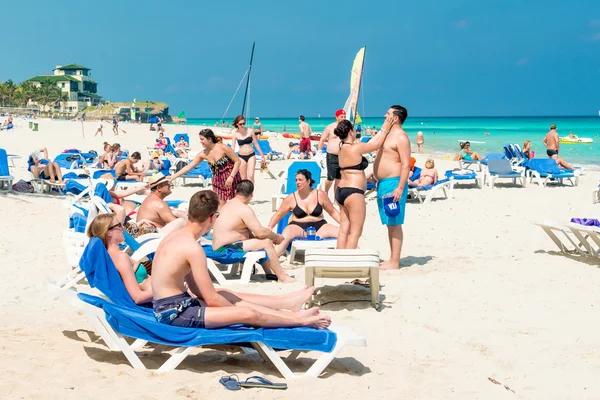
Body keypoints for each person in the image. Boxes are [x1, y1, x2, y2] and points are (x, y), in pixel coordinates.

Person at [151, 190, 330, 329]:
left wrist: (230, 302)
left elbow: (198, 291)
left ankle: (288, 307)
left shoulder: (175, 237)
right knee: (247, 314)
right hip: (174, 313)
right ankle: (298, 321)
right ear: (212, 217)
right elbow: (211, 300)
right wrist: (237, 310)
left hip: (170, 305)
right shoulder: (193, 248)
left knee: (225, 293)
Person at [212, 180, 294, 283]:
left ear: (237, 191)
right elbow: (260, 232)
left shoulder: (229, 204)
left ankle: (269, 273)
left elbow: (257, 234)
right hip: (225, 250)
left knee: (261, 240)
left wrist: (266, 236)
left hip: (220, 247)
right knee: (266, 242)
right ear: (252, 194)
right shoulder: (244, 209)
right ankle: (282, 277)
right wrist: (276, 237)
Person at [334, 118, 390, 249]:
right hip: (354, 192)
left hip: (341, 190)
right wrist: (385, 128)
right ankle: (348, 261)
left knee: (344, 229)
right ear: (351, 131)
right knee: (355, 232)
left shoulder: (341, 148)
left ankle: (340, 259)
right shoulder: (356, 148)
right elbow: (375, 144)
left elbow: (373, 143)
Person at [373, 105, 411, 270]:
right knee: (389, 222)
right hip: (383, 183)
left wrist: (400, 188)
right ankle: (391, 259)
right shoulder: (387, 134)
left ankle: (395, 261)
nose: (384, 115)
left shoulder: (401, 137)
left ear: (395, 118)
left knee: (394, 222)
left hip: (394, 183)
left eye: (387, 114)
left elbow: (406, 164)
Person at [268, 169, 340, 256]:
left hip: (320, 226)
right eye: (296, 180)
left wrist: (344, 225)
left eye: (300, 180)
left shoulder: (320, 194)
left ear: (308, 181)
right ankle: (272, 260)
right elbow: (278, 214)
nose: (297, 182)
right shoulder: (291, 198)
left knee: (341, 233)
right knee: (287, 232)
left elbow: (332, 212)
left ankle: (357, 256)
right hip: (298, 227)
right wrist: (270, 228)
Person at [88, 214, 153, 305]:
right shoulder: (120, 257)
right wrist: (169, 292)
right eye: (119, 225)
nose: (123, 228)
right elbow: (137, 297)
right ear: (108, 232)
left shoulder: (109, 256)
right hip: (159, 298)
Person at [168, 129, 241, 205]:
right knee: (220, 205)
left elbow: (237, 161)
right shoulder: (203, 154)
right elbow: (189, 167)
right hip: (218, 181)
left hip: (232, 178)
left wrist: (231, 177)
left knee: (235, 203)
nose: (201, 141)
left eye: (202, 139)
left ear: (209, 139)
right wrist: (173, 177)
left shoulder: (223, 148)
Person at [317, 109, 347, 196]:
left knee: (339, 179)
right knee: (330, 178)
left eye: (344, 117)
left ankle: (336, 199)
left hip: (343, 156)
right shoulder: (330, 127)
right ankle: (325, 192)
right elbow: (322, 139)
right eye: (341, 117)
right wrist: (319, 152)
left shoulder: (347, 128)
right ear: (336, 117)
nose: (343, 118)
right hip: (332, 155)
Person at [231, 114, 264, 183]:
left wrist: (262, 155)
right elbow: (232, 148)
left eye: (244, 123)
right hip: (241, 156)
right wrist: (231, 158)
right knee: (243, 178)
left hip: (251, 155)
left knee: (251, 176)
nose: (242, 125)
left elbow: (256, 144)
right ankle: (246, 193)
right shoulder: (235, 134)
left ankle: (252, 193)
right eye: (240, 124)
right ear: (237, 124)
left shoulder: (250, 131)